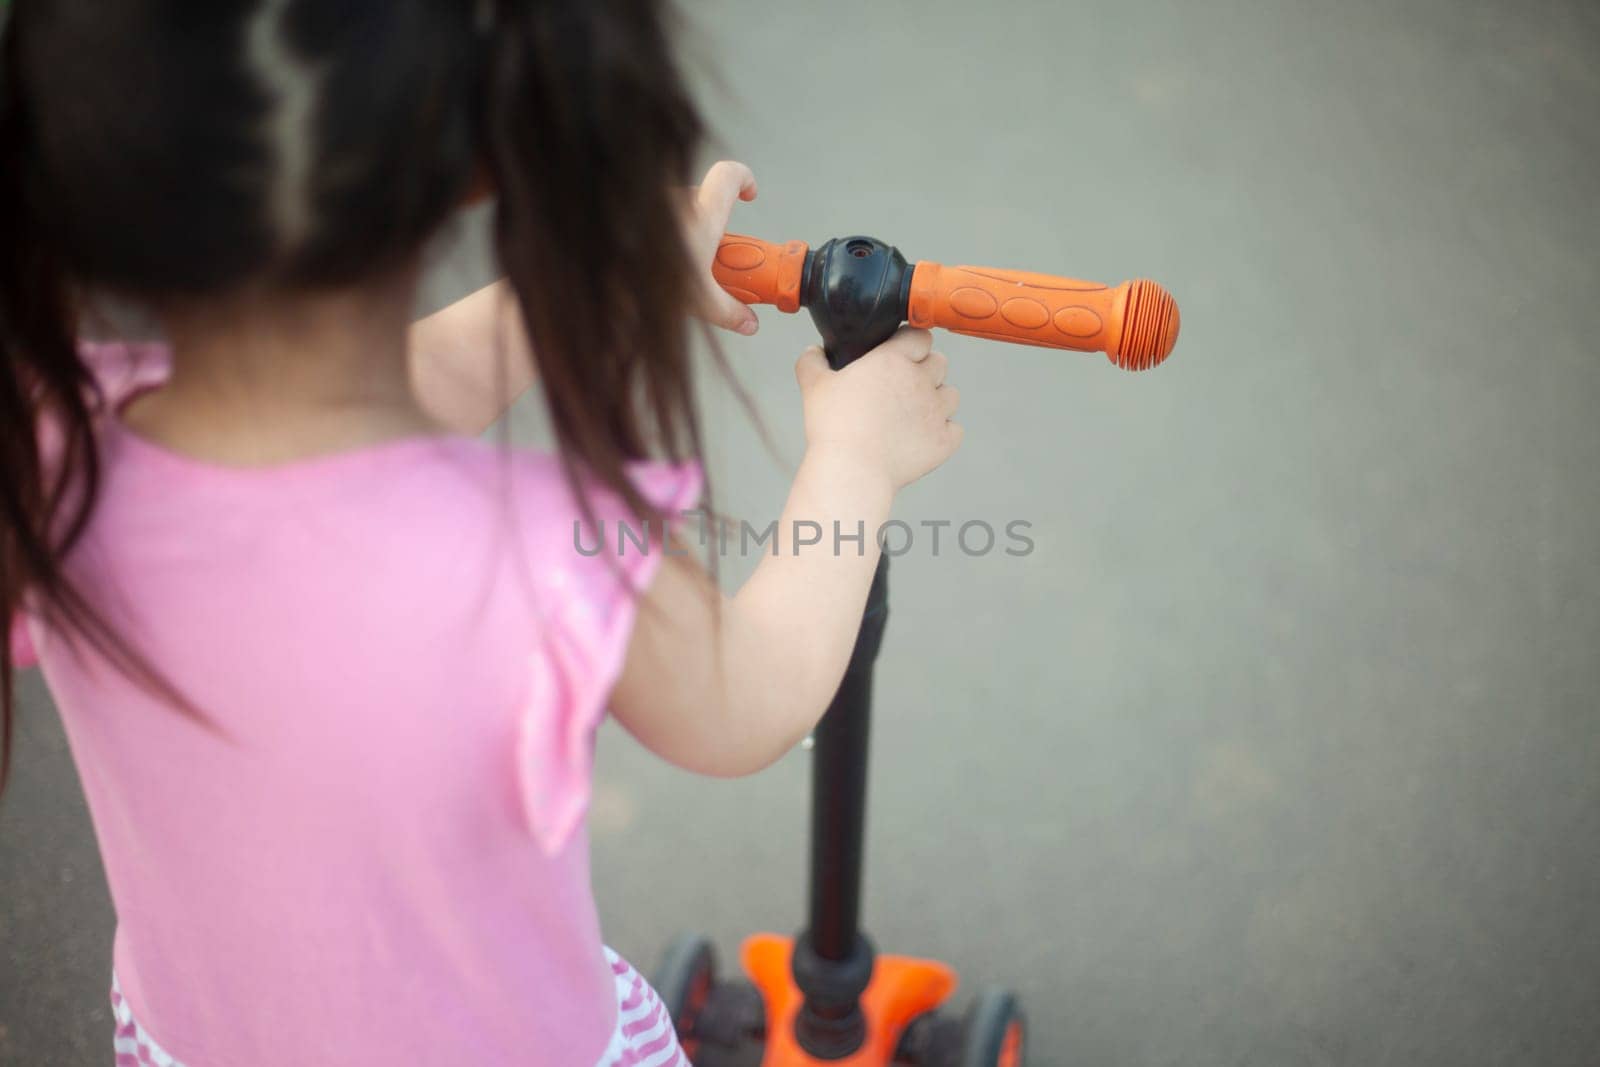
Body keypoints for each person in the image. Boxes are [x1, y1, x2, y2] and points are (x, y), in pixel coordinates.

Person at [0, 3, 961, 1064]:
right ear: (472, 169)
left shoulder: (52, 452)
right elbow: (745, 696)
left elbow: (317, 426)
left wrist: (589, 291)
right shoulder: (545, 553)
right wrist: (855, 457)